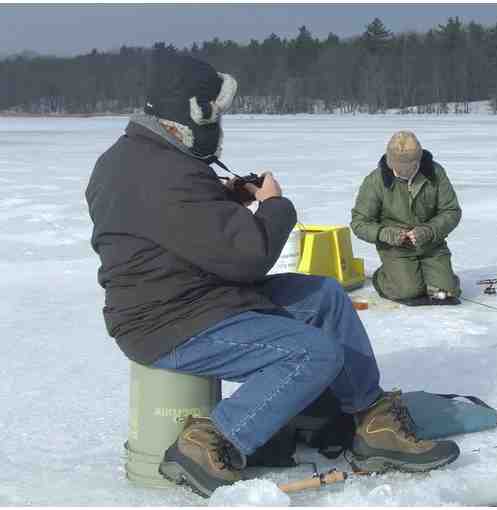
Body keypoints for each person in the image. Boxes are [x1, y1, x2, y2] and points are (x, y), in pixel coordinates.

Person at [85, 53, 459, 498]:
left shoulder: (138, 158)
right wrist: (275, 207)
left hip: (195, 295)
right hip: (169, 322)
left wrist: (222, 198)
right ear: (193, 113)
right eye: (215, 113)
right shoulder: (164, 174)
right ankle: (208, 441)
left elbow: (176, 225)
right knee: (313, 353)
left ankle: (373, 423)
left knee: (323, 295)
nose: (219, 124)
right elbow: (247, 257)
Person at [351, 131, 462, 306]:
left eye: (406, 167)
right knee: (408, 292)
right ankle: (382, 277)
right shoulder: (375, 180)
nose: (400, 171)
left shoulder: (435, 173)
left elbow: (451, 211)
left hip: (431, 245)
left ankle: (438, 274)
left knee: (445, 294)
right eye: (395, 165)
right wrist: (384, 233)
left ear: (417, 161)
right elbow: (359, 222)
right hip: (396, 248)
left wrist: (429, 230)